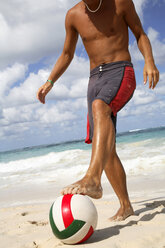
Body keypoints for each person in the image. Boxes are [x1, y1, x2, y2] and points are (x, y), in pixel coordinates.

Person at [37, 0, 159, 221]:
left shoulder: (121, 3)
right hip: (94, 80)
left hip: (121, 70)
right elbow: (67, 53)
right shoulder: (73, 15)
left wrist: (149, 61)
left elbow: (140, 33)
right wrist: (50, 81)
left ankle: (93, 178)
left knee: (99, 107)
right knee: (104, 146)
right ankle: (126, 206)